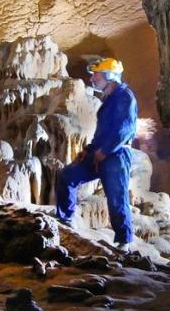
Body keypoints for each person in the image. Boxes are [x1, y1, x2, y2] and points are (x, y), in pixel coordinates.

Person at [55, 57, 138, 246]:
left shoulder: (125, 97)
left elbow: (124, 130)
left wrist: (106, 150)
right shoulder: (108, 101)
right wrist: (89, 149)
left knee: (116, 198)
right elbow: (101, 134)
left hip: (116, 156)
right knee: (68, 175)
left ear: (109, 75)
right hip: (99, 153)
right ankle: (65, 219)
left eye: (97, 74)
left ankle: (124, 242)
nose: (92, 79)